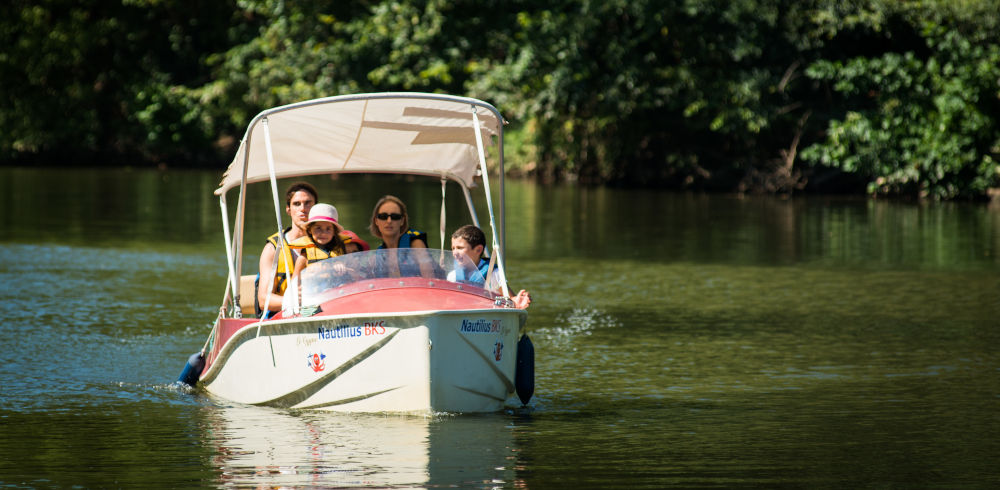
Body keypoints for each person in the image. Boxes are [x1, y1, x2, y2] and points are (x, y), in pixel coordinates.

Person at [257, 181, 317, 316]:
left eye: (308, 203)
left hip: (320, 312)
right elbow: (263, 300)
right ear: (288, 210)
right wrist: (296, 301)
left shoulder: (328, 244)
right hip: (282, 316)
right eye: (297, 204)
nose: (303, 208)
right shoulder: (272, 249)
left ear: (315, 208)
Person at [448, 224, 532, 309]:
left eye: (460, 248)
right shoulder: (452, 276)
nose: (455, 253)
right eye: (453, 248)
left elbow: (511, 299)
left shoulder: (494, 274)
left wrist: (518, 300)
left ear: (478, 250)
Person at [290, 203, 347, 278]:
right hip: (314, 288)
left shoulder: (343, 251)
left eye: (328, 229)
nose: (323, 233)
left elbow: (354, 274)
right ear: (310, 230)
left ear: (334, 232)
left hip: (338, 288)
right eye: (318, 228)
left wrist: (343, 268)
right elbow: (294, 283)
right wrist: (306, 276)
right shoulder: (304, 257)